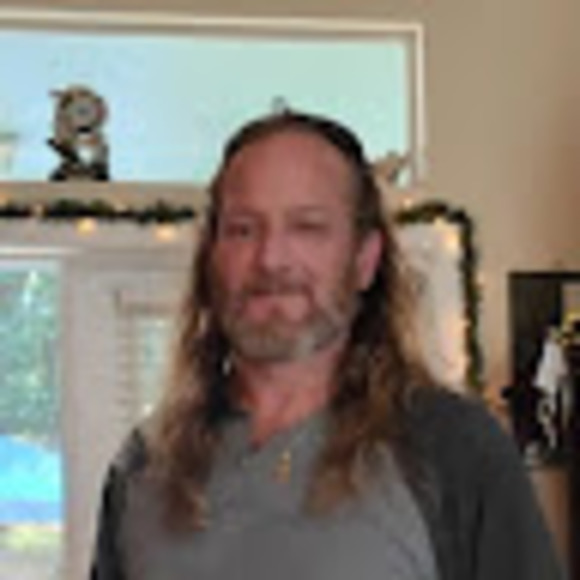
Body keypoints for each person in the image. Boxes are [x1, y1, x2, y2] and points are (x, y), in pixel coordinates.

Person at [91, 111, 563, 580]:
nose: (271, 259)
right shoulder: (144, 466)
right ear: (212, 258)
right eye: (242, 229)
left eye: (307, 226)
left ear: (364, 260)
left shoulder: (455, 450)